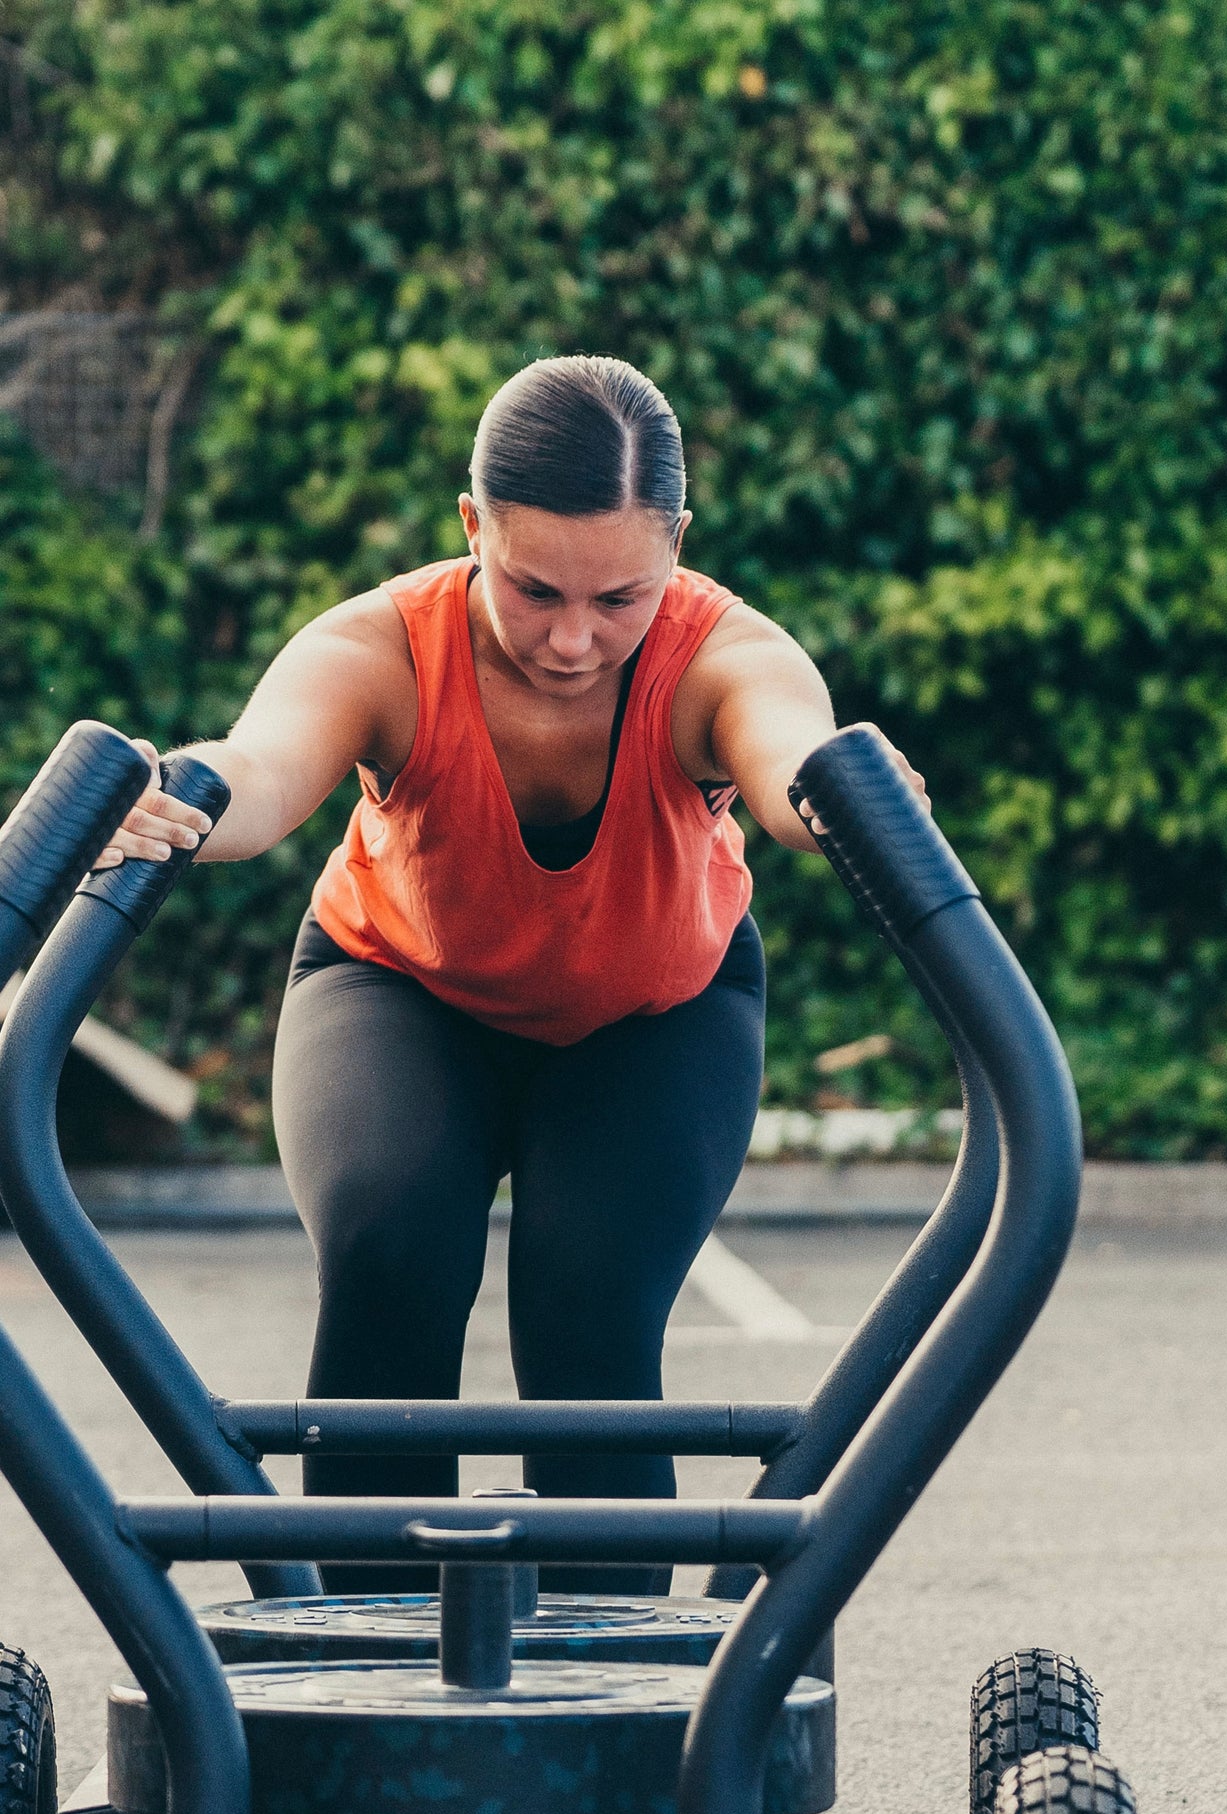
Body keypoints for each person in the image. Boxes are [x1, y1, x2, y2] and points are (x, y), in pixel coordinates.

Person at [103, 354, 927, 1589]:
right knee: (388, 1259)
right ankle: (366, 1663)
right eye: (533, 588)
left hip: (656, 1014)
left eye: (620, 598)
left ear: (676, 546)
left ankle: (621, 1696)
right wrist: (176, 795)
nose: (573, 639)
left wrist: (847, 798)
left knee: (590, 1307)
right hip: (398, 993)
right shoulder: (382, 646)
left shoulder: (720, 654)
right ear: (471, 526)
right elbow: (262, 773)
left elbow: (789, 760)